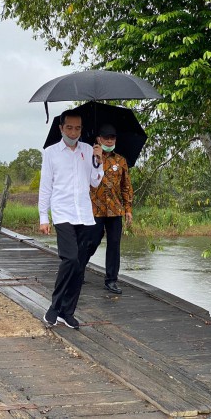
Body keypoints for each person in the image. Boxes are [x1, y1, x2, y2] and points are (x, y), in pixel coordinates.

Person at [39, 109, 104, 330]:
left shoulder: (88, 150)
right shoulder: (50, 153)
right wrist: (43, 217)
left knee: (80, 265)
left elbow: (95, 183)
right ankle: (54, 307)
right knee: (70, 259)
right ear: (61, 128)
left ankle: (68, 312)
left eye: (77, 128)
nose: (73, 132)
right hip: (62, 213)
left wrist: (98, 161)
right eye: (69, 127)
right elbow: (45, 187)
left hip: (84, 215)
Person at [87, 123, 133, 295]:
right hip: (94, 209)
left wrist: (128, 208)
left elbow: (126, 186)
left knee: (114, 244)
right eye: (106, 137)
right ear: (98, 138)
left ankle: (111, 280)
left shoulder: (120, 160)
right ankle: (78, 268)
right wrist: (95, 158)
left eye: (112, 137)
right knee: (92, 241)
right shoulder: (88, 157)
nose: (109, 140)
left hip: (115, 210)